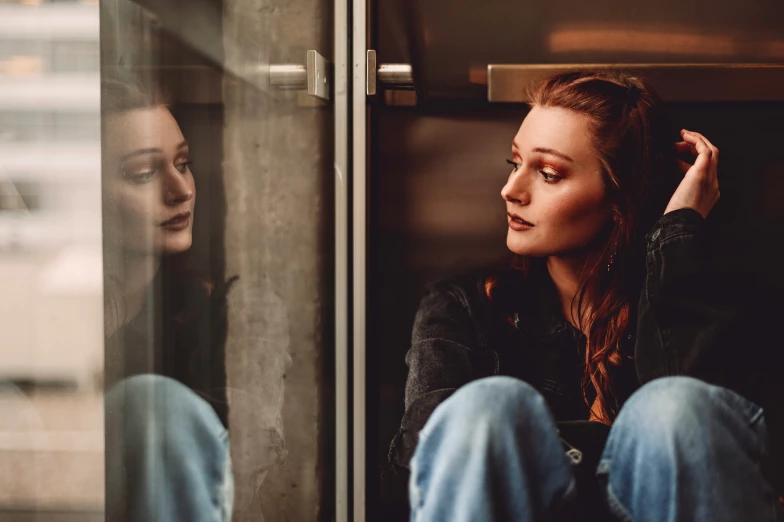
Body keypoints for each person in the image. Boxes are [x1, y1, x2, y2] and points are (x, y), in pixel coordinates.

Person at [385, 71, 784, 521]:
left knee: (676, 409)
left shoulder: (710, 298)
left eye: (549, 173)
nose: (511, 191)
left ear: (619, 199)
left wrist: (679, 236)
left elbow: (707, 452)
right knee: (486, 409)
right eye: (514, 162)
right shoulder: (463, 307)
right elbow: (426, 456)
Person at [101, 78, 234, 521]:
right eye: (143, 174)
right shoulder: (51, 325)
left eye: (184, 163)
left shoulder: (212, 310)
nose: (181, 191)